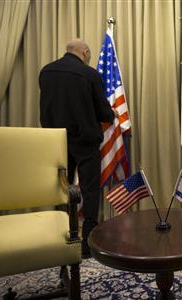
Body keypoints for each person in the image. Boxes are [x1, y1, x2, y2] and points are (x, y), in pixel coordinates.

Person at [39, 39, 117, 258]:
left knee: (60, 190)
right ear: (85, 52)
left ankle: (61, 237)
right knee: (90, 190)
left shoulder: (46, 72)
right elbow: (104, 113)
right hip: (85, 141)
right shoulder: (89, 75)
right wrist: (111, 115)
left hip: (56, 141)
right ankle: (88, 243)